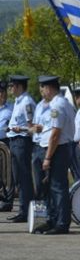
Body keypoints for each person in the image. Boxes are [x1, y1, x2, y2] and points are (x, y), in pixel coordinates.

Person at [34, 76, 75, 235]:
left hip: (58, 149)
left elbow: (56, 134)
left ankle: (62, 222)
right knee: (51, 187)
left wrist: (48, 157)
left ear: (49, 88)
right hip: (55, 148)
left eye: (42, 88)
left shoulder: (57, 105)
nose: (41, 91)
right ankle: (52, 219)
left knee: (58, 187)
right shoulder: (56, 104)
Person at [6, 75, 35, 223]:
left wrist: (20, 128)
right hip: (14, 141)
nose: (10, 89)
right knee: (17, 177)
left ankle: (26, 211)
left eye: (12, 86)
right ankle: (22, 210)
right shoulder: (18, 102)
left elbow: (32, 126)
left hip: (22, 141)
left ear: (19, 86)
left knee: (23, 177)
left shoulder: (27, 102)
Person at [0, 81, 15, 211]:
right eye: (0, 93)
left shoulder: (12, 108)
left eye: (3, 92)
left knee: (8, 174)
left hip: (6, 143)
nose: (2, 95)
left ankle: (7, 202)